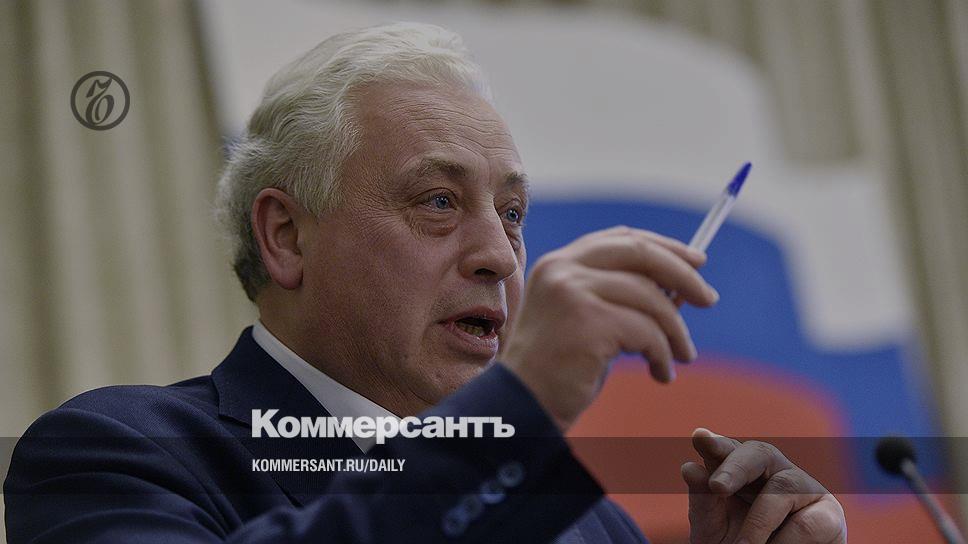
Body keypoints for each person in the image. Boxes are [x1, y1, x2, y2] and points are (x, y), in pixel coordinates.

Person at [4, 22, 847, 544]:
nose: (501, 258)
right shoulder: (117, 456)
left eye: (512, 214)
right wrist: (517, 414)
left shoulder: (590, 523)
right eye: (438, 201)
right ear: (287, 236)